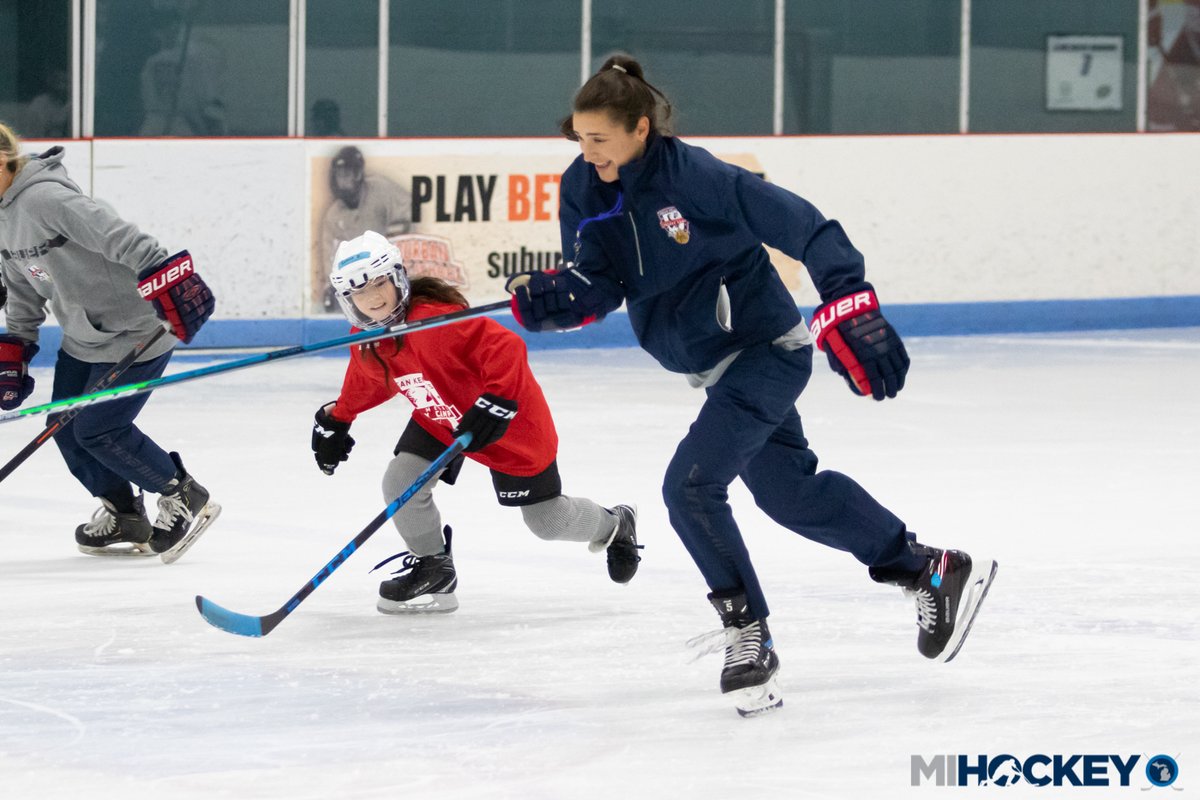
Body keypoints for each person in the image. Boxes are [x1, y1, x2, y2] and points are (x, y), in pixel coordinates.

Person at [505, 56, 998, 717]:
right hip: (713, 368)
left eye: (599, 138)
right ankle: (927, 568)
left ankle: (748, 635)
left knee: (689, 488)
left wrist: (849, 299)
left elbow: (806, 227)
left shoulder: (698, 177)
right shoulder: (584, 189)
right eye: (580, 138)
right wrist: (557, 300)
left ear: (640, 128)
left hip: (766, 351)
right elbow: (600, 280)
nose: (586, 152)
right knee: (790, 493)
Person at [311, 230, 640, 614]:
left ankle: (616, 525)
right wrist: (339, 417)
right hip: (440, 416)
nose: (373, 299)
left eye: (380, 283)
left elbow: (507, 347)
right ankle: (434, 567)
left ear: (398, 277)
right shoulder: (369, 337)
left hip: (508, 425)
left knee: (547, 522)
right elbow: (368, 379)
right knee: (401, 482)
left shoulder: (434, 322)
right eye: (359, 293)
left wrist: (498, 400)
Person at [0, 122, 219, 561]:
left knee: (100, 430)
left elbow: (116, 234)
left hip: (137, 331)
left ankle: (182, 493)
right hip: (84, 337)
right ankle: (125, 513)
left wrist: (166, 275)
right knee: (62, 430)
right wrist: (15, 351)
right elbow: (22, 286)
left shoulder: (45, 197)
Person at [316, 146, 411, 312]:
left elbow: (408, 211)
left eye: (347, 173)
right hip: (360, 280)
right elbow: (329, 255)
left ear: (359, 174)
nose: (343, 179)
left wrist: (395, 244)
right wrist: (329, 286)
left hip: (387, 269)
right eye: (340, 174)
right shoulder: (333, 215)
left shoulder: (381, 189)